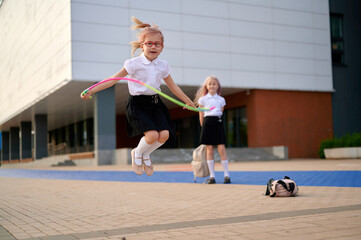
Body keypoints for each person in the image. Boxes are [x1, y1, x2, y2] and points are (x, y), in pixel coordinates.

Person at [81, 17, 196, 176]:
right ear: (142, 46)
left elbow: (173, 86)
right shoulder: (133, 64)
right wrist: (91, 90)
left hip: (156, 103)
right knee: (152, 136)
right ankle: (137, 153)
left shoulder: (163, 65)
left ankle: (146, 154)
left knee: (164, 135)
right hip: (138, 104)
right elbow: (113, 80)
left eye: (157, 44)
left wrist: (188, 101)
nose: (153, 47)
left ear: (162, 47)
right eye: (149, 43)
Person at [194, 76, 230, 184]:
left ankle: (226, 175)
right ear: (206, 86)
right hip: (207, 124)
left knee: (221, 149)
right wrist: (203, 127)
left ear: (218, 86)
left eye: (214, 84)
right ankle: (212, 176)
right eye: (210, 84)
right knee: (209, 150)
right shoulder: (202, 99)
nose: (212, 86)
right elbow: (201, 114)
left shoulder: (221, 100)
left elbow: (221, 113)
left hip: (218, 123)